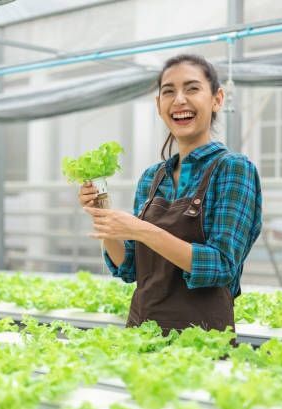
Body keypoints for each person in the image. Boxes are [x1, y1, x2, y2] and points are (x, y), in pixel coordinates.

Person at [79, 54, 262, 335]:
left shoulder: (233, 169)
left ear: (217, 99)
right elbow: (129, 267)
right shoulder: (153, 178)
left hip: (201, 342)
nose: (179, 100)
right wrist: (103, 214)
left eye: (192, 88)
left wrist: (141, 229)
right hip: (141, 334)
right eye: (168, 92)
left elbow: (221, 265)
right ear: (158, 105)